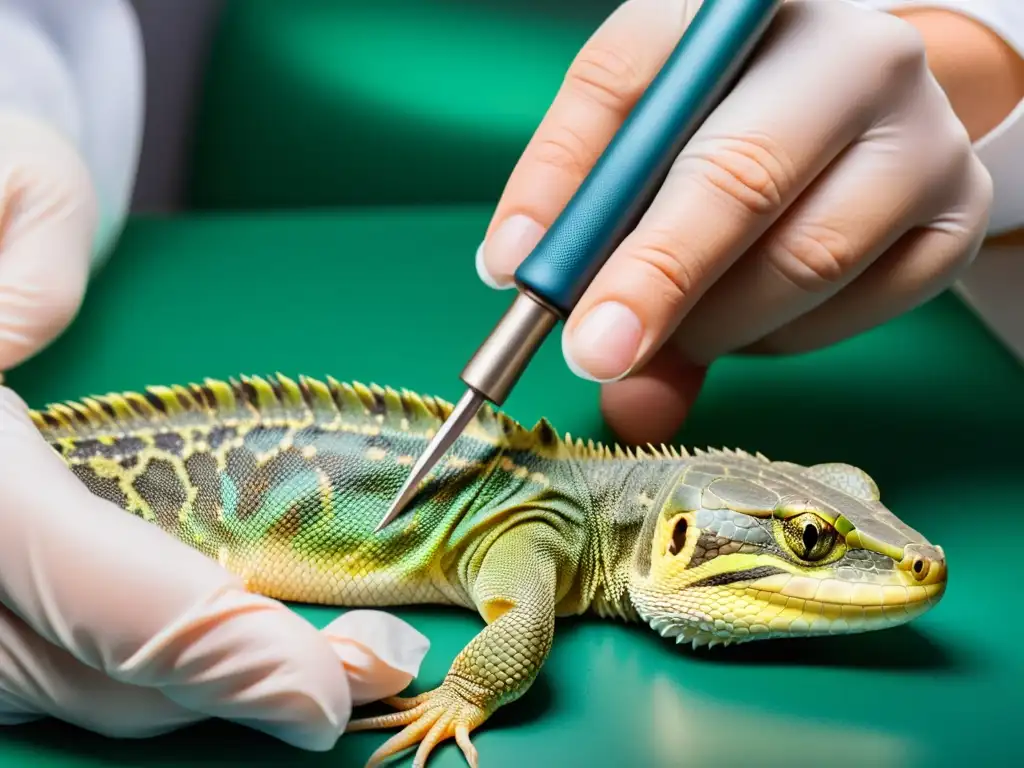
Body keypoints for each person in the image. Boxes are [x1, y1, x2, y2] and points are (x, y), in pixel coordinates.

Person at [0, 0, 1020, 753]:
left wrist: (979, 62)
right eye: (807, 539)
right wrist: (468, 694)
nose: (913, 564)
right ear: (673, 533)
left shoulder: (543, 524)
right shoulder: (539, 539)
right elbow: (517, 633)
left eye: (820, 529)